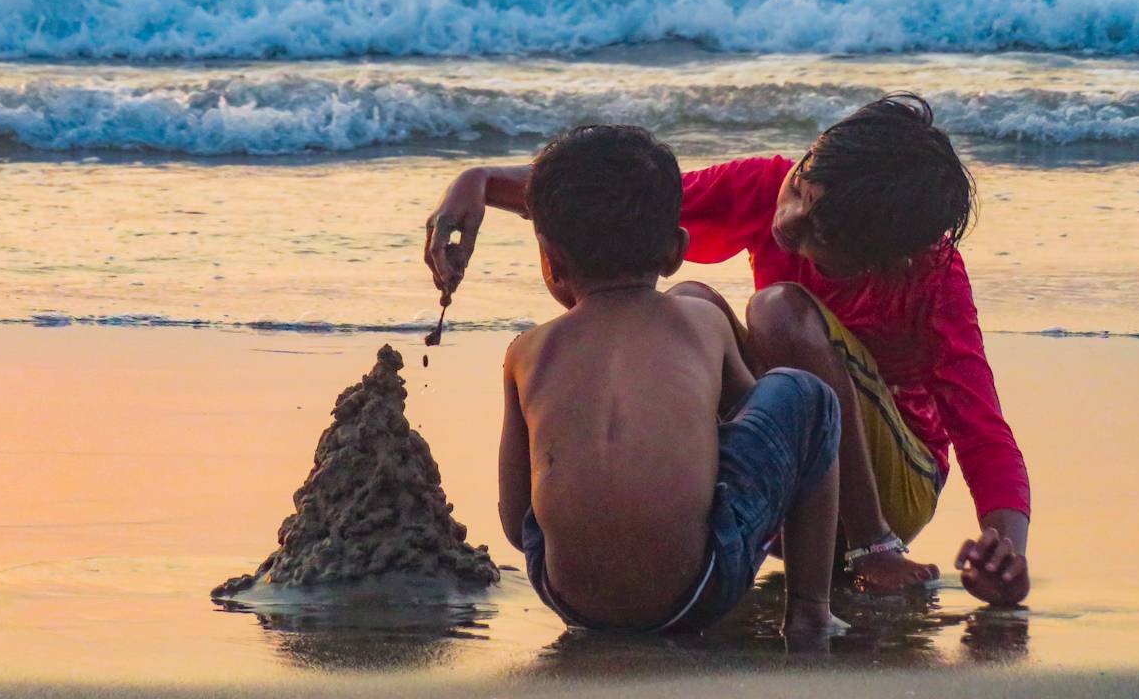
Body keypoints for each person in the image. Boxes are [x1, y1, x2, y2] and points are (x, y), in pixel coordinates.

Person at [427, 95, 1032, 606]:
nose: (787, 221)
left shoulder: (930, 281)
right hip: (792, 483)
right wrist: (477, 182)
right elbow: (621, 207)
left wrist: (1006, 547)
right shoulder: (764, 188)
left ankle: (873, 545)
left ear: (884, 259)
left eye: (817, 233)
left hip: (888, 485)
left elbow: (982, 430)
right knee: (689, 303)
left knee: (776, 311)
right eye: (800, 188)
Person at [499, 124, 847, 639]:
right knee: (807, 395)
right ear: (676, 249)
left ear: (552, 259)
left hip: (566, 594)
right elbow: (755, 423)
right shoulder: (700, 321)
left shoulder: (526, 352)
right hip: (697, 592)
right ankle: (810, 612)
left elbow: (515, 521)